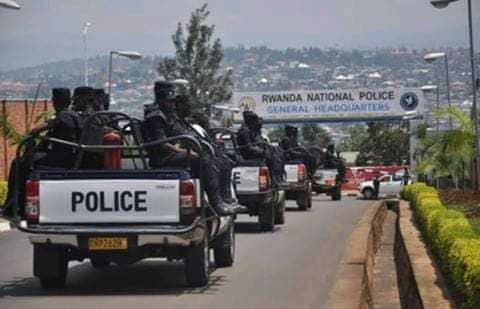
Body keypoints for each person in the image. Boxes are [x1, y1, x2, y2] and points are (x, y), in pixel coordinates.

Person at [142, 81, 245, 216]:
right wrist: (183, 150)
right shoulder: (155, 116)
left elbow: (176, 136)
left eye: (173, 102)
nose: (172, 105)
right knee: (204, 160)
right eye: (169, 101)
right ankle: (217, 203)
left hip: (171, 153)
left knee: (217, 160)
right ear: (161, 99)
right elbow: (162, 144)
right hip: (162, 158)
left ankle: (225, 199)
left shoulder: (167, 114)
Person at [2, 88, 80, 218]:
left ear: (54, 101)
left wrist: (34, 133)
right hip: (68, 157)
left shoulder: (62, 116)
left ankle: (14, 206)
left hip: (58, 159)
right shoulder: (75, 116)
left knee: (18, 164)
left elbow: (36, 130)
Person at [237, 111, 284, 185]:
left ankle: (277, 177)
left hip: (252, 151)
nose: (256, 122)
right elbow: (249, 147)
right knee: (271, 155)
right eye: (254, 120)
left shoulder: (250, 130)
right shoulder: (244, 131)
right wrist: (262, 151)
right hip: (247, 154)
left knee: (277, 152)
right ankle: (274, 179)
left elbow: (257, 143)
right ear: (249, 120)